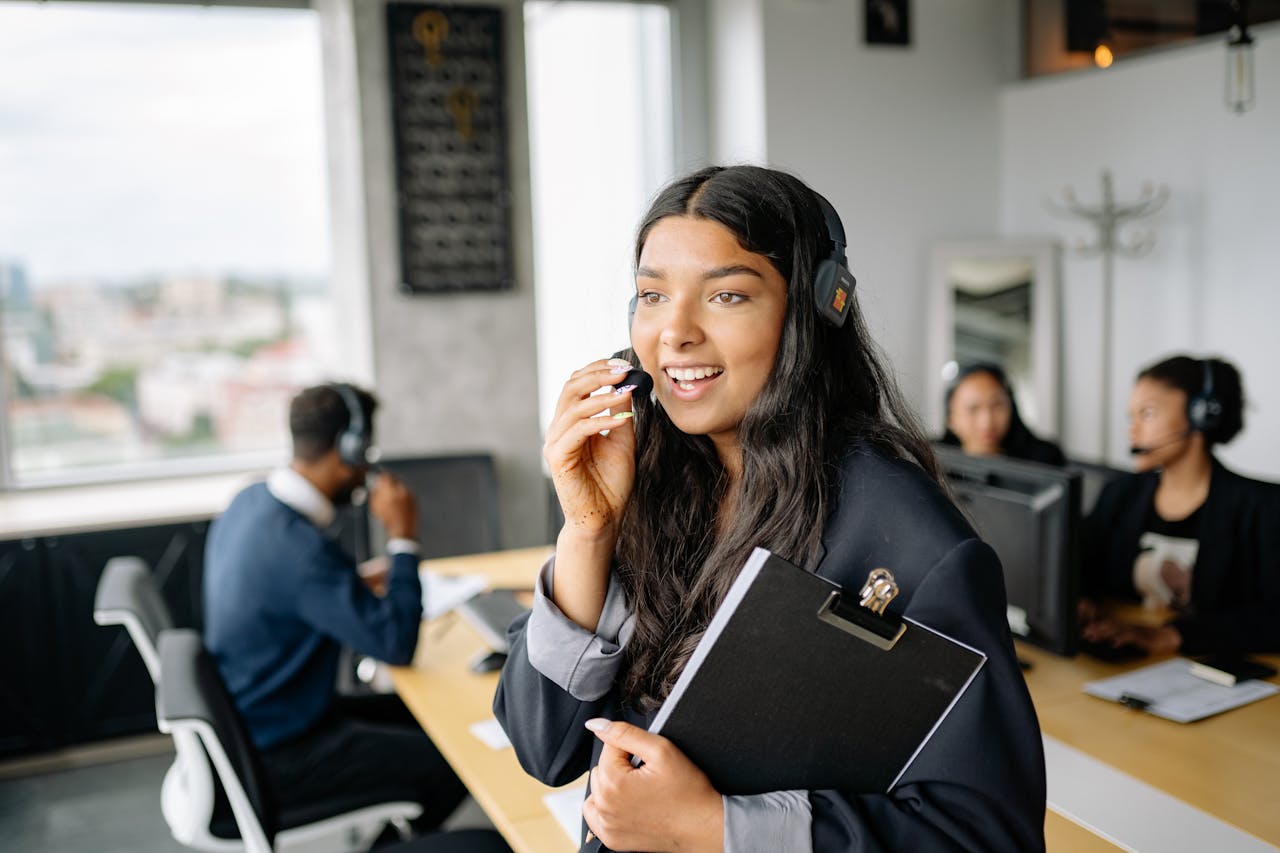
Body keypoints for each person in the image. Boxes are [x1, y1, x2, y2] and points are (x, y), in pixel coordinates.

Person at [493, 166, 1045, 852]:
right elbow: (542, 746)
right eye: (651, 295)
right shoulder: (651, 482)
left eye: (726, 294)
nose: (675, 332)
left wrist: (715, 827)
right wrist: (587, 530)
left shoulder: (910, 538)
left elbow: (988, 835)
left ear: (814, 313)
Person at [203, 383, 467, 831]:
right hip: (283, 748)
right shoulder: (302, 553)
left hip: (257, 719)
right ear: (350, 447)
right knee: (458, 760)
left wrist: (351, 582)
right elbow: (396, 644)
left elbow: (282, 591)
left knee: (440, 726)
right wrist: (404, 536)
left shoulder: (251, 500)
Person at [1079, 355, 1280, 655]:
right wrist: (1081, 600)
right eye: (1131, 417)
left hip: (1210, 668)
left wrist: (1170, 636)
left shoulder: (1262, 508)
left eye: (1147, 414)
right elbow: (1080, 568)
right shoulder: (1119, 495)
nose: (1132, 431)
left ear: (1201, 414)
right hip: (1128, 660)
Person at [940, 362, 1065, 465]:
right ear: (951, 419)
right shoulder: (934, 461)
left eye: (997, 405)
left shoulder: (1043, 458)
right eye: (973, 409)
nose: (987, 422)